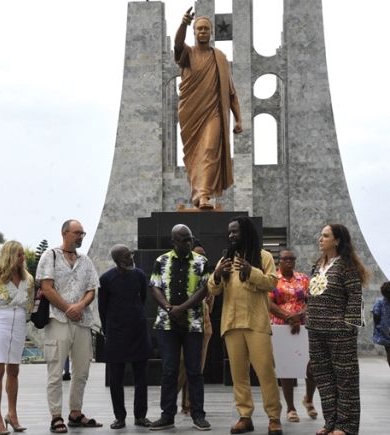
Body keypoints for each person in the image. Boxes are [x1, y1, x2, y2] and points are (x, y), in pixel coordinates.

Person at [208, 216, 283, 435]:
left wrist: (251, 270)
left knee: (266, 373)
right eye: (229, 232)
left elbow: (271, 283)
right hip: (232, 323)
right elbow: (213, 290)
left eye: (235, 232)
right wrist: (217, 274)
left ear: (246, 233)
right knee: (238, 375)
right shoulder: (226, 259)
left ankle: (274, 418)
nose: (231, 236)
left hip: (256, 323)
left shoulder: (264, 256)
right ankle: (244, 417)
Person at [36, 220, 102, 434]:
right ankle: (56, 416)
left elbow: (92, 288)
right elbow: (46, 287)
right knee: (56, 371)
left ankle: (75, 412)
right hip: (58, 320)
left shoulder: (86, 261)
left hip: (82, 322)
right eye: (77, 233)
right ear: (64, 233)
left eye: (82, 233)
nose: (80, 236)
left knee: (81, 371)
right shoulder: (50, 256)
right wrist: (67, 308)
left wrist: (80, 306)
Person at [175, 7, 243, 210]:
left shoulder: (220, 58)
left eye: (206, 29)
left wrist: (238, 118)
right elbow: (178, 45)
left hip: (213, 112)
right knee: (194, 155)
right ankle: (197, 195)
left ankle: (203, 195)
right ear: (194, 32)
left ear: (211, 32)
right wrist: (183, 24)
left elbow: (231, 93)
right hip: (191, 112)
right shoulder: (188, 54)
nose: (203, 32)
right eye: (199, 29)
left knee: (210, 149)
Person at [306, 223, 370, 435]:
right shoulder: (317, 264)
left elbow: (355, 299)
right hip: (315, 331)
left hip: (340, 334)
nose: (320, 238)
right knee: (324, 379)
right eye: (321, 234)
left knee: (346, 380)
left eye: (325, 235)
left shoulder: (347, 266)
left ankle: (346, 425)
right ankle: (331, 422)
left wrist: (348, 329)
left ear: (337, 240)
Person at [149, 224, 211, 431]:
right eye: (183, 240)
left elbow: (204, 290)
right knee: (169, 371)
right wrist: (170, 309)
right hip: (167, 324)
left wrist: (181, 309)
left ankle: (198, 415)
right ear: (173, 242)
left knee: (195, 371)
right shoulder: (161, 261)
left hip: (193, 323)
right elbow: (155, 287)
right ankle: (167, 415)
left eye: (190, 239)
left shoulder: (201, 261)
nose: (188, 243)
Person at [0, 241, 35, 435]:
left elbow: (29, 305)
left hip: (19, 322)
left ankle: (12, 414)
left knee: (14, 369)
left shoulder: (28, 279)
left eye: (23, 255)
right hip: (0, 321)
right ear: (10, 255)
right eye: (19, 254)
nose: (23, 258)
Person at [99, 244, 153, 430]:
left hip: (138, 332)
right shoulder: (106, 279)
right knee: (116, 380)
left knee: (142, 379)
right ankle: (119, 417)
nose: (130, 259)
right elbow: (102, 309)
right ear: (117, 261)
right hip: (116, 335)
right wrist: (109, 331)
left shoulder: (139, 275)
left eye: (131, 255)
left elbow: (143, 299)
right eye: (126, 257)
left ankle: (140, 416)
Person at [268, 249, 317, 423]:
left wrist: (299, 316)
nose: (289, 261)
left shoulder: (303, 279)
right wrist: (288, 318)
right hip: (281, 328)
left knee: (312, 365)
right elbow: (269, 303)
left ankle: (309, 399)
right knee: (286, 367)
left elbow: (310, 301)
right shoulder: (273, 279)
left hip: (304, 326)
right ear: (278, 261)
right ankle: (290, 408)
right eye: (285, 258)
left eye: (292, 258)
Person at [177, 239, 214, 414]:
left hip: (204, 325)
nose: (201, 258)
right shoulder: (182, 273)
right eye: (198, 255)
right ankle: (168, 393)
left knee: (197, 366)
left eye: (204, 255)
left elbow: (211, 303)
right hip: (184, 324)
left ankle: (189, 404)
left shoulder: (210, 278)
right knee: (183, 363)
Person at [372, 282, 390, 367]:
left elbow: (376, 315)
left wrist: (377, 325)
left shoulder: (379, 302)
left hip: (385, 331)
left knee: (389, 351)